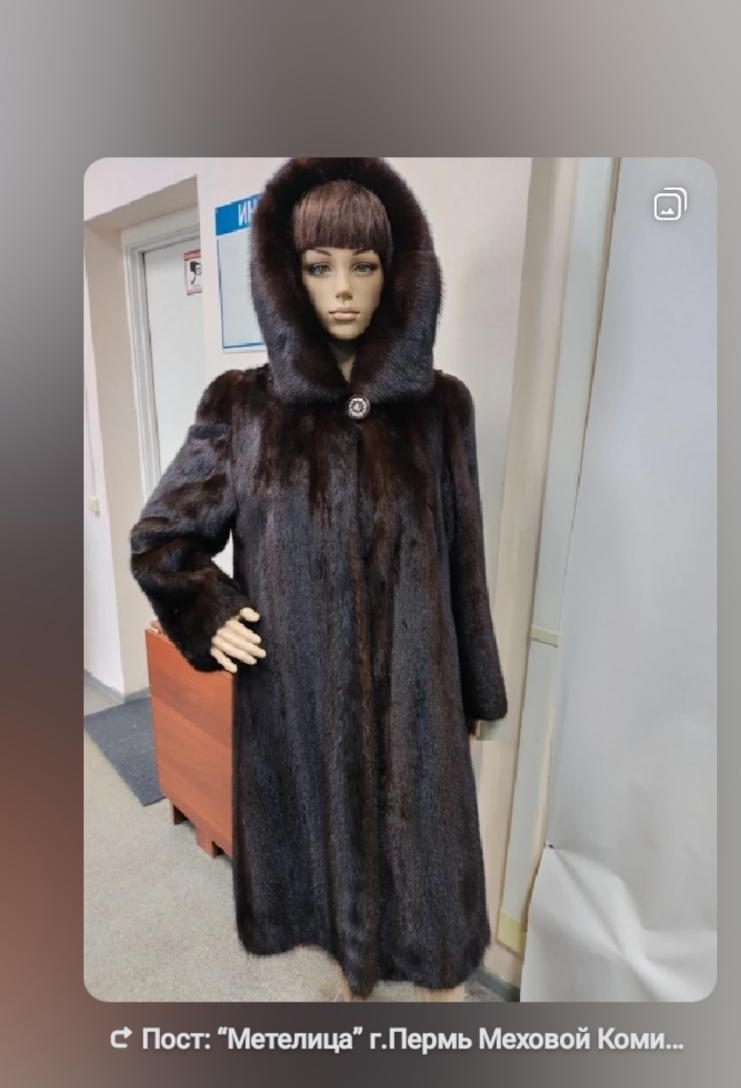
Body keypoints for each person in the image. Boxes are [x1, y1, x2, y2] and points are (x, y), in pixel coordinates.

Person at [130, 157, 508, 1002]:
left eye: (364, 266)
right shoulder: (244, 406)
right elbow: (162, 539)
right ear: (285, 278)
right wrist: (205, 608)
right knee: (331, 906)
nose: (343, 289)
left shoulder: (441, 407)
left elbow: (465, 560)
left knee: (433, 920)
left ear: (398, 275)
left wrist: (477, 687)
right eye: (318, 265)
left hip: (418, 708)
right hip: (298, 702)